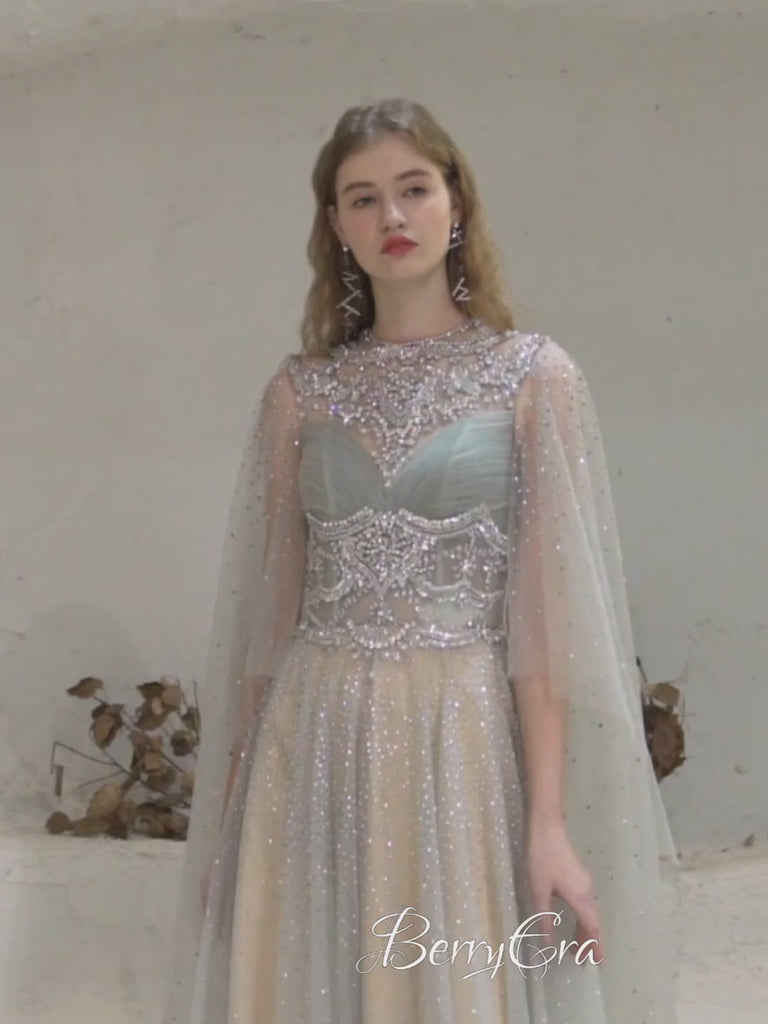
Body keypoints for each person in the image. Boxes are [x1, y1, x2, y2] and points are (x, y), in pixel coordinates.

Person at [162, 97, 682, 1024]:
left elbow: (543, 626)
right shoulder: (300, 392)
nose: (392, 217)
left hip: (460, 742)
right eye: (363, 199)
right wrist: (232, 815)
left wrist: (549, 823)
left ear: (457, 203)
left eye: (414, 189)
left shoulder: (533, 377)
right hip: (311, 737)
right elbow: (267, 621)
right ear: (336, 226)